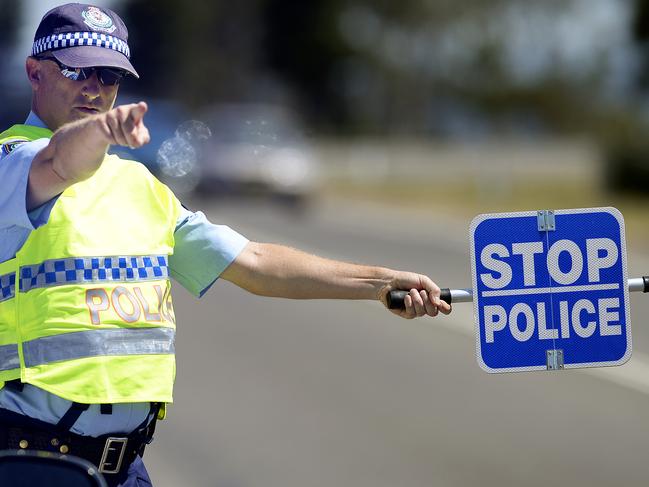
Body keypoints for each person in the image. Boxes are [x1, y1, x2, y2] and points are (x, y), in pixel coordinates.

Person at [0, 3, 451, 486]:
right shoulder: (14, 161)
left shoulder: (140, 185)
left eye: (108, 76)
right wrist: (102, 130)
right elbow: (59, 164)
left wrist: (381, 283)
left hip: (125, 468)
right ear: (35, 71)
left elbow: (255, 264)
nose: (94, 89)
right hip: (34, 460)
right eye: (77, 70)